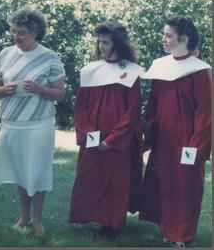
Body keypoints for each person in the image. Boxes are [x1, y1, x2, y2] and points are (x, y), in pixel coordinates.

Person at [0, 6, 66, 235]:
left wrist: (40, 88)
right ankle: (24, 217)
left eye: (21, 32)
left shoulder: (49, 57)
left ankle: (38, 220)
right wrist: (3, 89)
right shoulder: (5, 54)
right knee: (21, 171)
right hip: (12, 123)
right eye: (13, 31)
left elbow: (60, 93)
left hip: (39, 125)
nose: (16, 36)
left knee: (38, 172)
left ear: (35, 32)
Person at [139, 16, 211, 248]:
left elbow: (205, 112)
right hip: (164, 136)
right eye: (164, 34)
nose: (163, 39)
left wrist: (196, 145)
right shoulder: (160, 65)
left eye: (168, 35)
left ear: (184, 39)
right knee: (165, 182)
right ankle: (167, 228)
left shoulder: (200, 70)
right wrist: (148, 134)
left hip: (187, 137)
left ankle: (182, 233)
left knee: (186, 185)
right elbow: (153, 103)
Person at [69, 22, 144, 240]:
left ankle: (113, 223)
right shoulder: (90, 71)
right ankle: (98, 219)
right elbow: (81, 107)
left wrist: (112, 139)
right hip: (94, 135)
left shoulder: (131, 72)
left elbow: (132, 111)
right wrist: (90, 134)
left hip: (119, 138)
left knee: (116, 181)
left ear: (118, 43)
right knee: (93, 177)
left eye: (106, 42)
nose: (101, 46)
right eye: (99, 41)